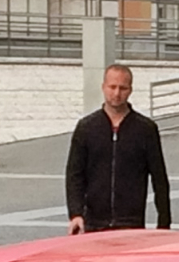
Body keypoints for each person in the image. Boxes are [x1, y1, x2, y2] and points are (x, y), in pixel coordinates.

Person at [65, 63, 172, 234]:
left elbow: (159, 178)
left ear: (130, 90)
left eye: (123, 88)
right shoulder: (86, 128)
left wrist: (164, 223)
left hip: (131, 223)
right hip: (94, 222)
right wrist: (76, 213)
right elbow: (74, 175)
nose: (116, 93)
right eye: (112, 87)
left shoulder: (145, 129)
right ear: (103, 87)